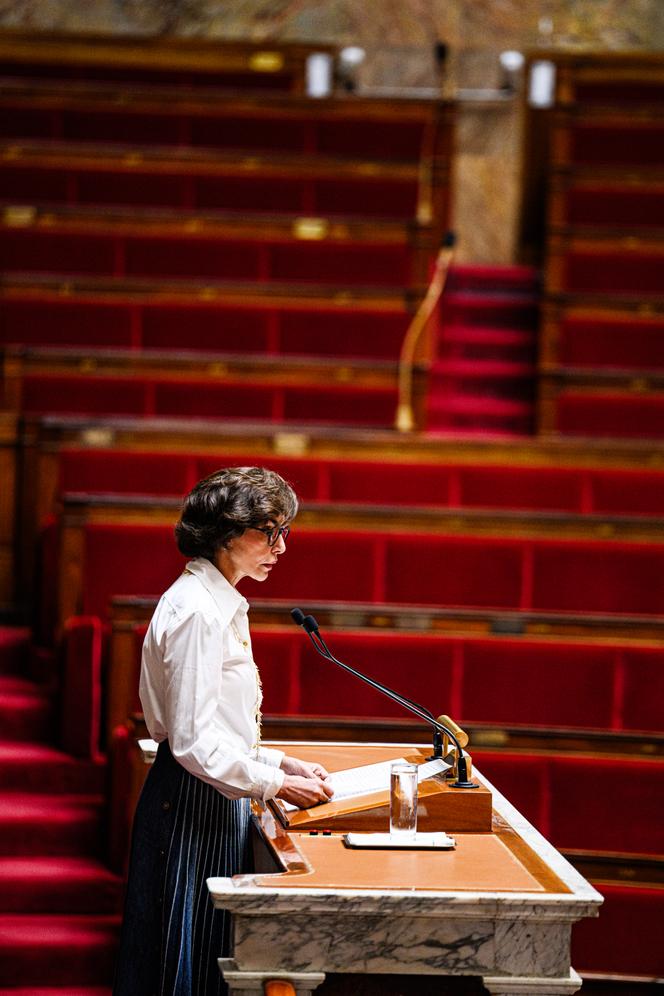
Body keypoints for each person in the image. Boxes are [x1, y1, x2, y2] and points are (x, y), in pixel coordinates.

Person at [113, 466, 333, 996]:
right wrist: (276, 784)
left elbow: (214, 725)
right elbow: (191, 742)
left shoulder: (218, 601)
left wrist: (278, 762)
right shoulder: (198, 612)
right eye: (268, 532)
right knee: (183, 965)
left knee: (203, 957)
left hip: (208, 796)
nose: (281, 547)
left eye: (283, 531)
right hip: (190, 805)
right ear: (226, 533)